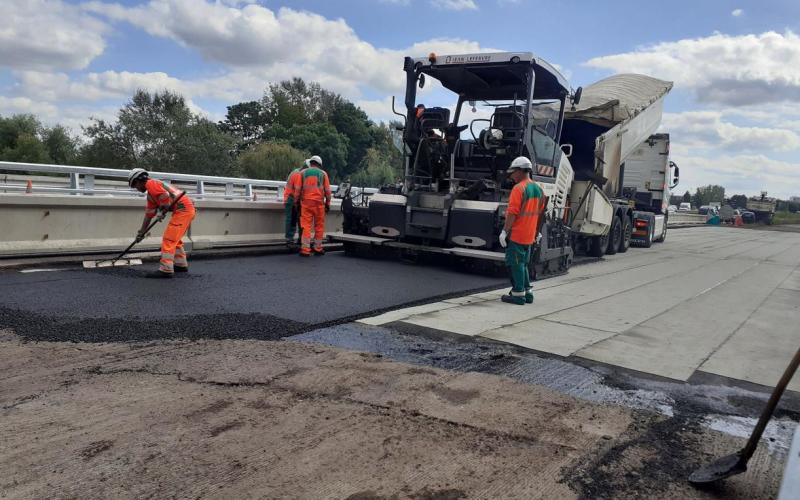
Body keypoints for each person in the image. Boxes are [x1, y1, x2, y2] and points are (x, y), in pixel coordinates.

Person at [128, 168, 196, 278]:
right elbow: (149, 214)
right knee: (175, 240)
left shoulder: (151, 183)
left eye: (134, 185)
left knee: (168, 239)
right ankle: (180, 265)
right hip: (185, 210)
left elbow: (165, 196)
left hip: (183, 210)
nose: (135, 188)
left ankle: (166, 270)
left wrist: (161, 211)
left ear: (139, 180)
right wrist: (142, 232)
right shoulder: (151, 195)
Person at [498, 156, 544, 305]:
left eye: (513, 172)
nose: (511, 176)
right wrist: (537, 232)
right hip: (530, 235)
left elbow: (512, 212)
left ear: (520, 171)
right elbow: (540, 213)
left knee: (515, 264)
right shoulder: (537, 189)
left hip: (518, 234)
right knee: (523, 264)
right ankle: (527, 293)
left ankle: (518, 295)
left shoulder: (519, 188)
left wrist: (505, 231)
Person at [297, 155, 331, 257]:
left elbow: (298, 190)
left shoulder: (302, 173)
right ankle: (317, 248)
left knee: (306, 226)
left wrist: (296, 202)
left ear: (310, 163)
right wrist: (328, 203)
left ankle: (305, 249)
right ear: (319, 164)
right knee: (319, 226)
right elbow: (328, 192)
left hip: (306, 204)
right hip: (319, 204)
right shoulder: (323, 174)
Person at [284, 159, 309, 244]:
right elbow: (298, 190)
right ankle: (290, 239)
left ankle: (296, 238)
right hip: (292, 199)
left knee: (295, 219)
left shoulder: (296, 172)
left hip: (292, 198)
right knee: (292, 219)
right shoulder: (299, 174)